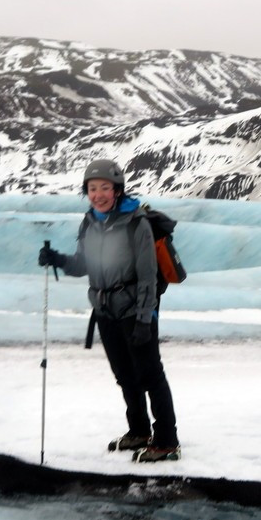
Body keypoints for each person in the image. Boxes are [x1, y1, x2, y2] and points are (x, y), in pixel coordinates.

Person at [37, 159, 180, 463]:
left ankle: (167, 440)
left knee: (150, 375)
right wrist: (56, 259)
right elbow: (83, 265)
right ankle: (139, 431)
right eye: (92, 188)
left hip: (134, 311)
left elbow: (146, 275)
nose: (98, 194)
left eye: (105, 187)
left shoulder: (135, 223)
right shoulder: (90, 222)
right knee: (125, 376)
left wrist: (145, 318)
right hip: (105, 311)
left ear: (117, 190)